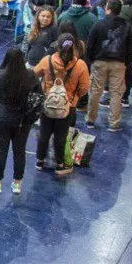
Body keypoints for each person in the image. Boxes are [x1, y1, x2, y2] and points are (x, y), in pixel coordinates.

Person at [0, 48, 39, 195]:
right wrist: (31, 119)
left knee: (0, 150)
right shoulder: (31, 76)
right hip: (22, 121)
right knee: (19, 151)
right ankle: (17, 183)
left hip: (0, 119)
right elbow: (39, 99)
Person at [33, 36, 90, 175]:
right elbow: (85, 87)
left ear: (58, 47)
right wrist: (73, 98)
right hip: (68, 106)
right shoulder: (80, 65)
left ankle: (40, 161)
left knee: (44, 133)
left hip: (48, 103)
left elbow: (34, 75)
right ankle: (59, 164)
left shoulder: (47, 60)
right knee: (61, 135)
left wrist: (44, 90)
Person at [85, 0, 132, 132]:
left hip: (99, 62)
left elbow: (90, 44)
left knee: (95, 92)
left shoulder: (99, 24)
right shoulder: (127, 26)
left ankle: (90, 119)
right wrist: (126, 62)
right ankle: (114, 123)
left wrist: (90, 61)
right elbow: (131, 47)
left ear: (108, 9)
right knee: (116, 93)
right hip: (119, 63)